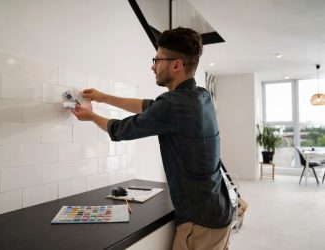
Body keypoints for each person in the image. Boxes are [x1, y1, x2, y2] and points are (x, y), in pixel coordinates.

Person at [72, 27, 233, 250]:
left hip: (200, 223)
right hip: (219, 210)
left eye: (157, 60)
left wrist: (90, 116)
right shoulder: (200, 96)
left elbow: (120, 130)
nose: (152, 66)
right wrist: (104, 97)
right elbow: (149, 106)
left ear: (176, 65)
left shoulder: (173, 105)